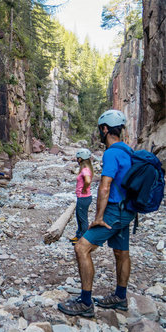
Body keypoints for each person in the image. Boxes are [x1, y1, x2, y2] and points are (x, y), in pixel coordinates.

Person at [58, 109, 135, 318]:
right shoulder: (128, 151)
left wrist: (99, 217)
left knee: (82, 248)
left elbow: (104, 187)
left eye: (101, 130)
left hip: (113, 211)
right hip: (128, 211)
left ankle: (85, 302)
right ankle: (120, 297)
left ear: (105, 129)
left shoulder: (111, 153)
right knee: (121, 253)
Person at [70, 148, 93, 245]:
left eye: (78, 158)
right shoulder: (86, 169)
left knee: (82, 218)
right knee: (79, 216)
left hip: (84, 197)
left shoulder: (85, 170)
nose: (77, 159)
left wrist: (84, 189)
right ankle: (79, 235)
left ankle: (83, 239)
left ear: (81, 159)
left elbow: (87, 180)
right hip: (83, 197)